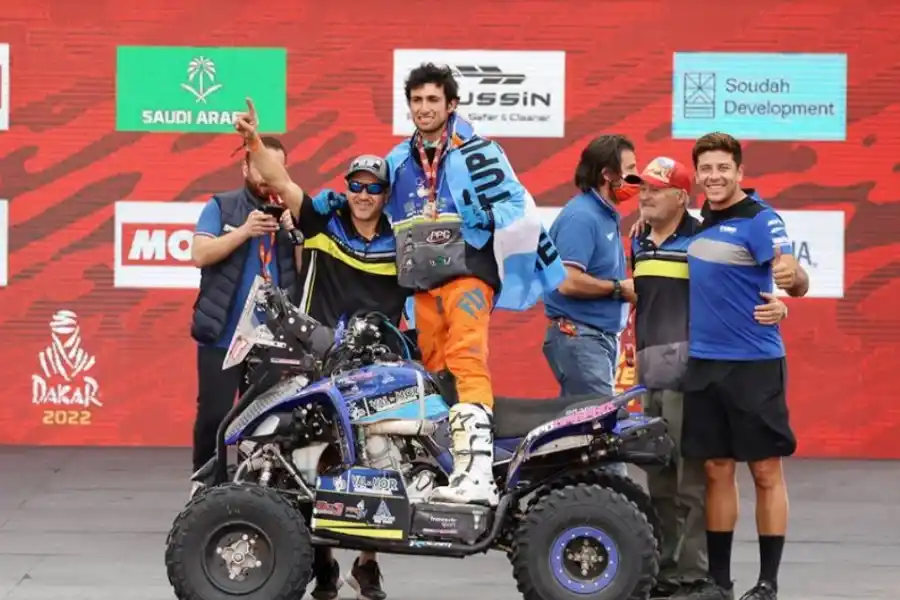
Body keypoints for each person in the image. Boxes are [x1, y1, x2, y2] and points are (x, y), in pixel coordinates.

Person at [315, 63, 566, 506]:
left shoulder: (480, 152)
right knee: (434, 370)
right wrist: (337, 203)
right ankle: (449, 465)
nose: (424, 108)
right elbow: (370, 198)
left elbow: (515, 205)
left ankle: (480, 475)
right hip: (422, 282)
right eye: (417, 100)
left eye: (433, 100)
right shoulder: (396, 159)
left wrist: (484, 219)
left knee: (466, 356)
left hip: (468, 273)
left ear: (451, 105)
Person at [233, 108, 403, 600]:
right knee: (313, 465)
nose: (364, 195)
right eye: (357, 185)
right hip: (318, 362)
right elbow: (278, 178)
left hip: (377, 369)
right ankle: (324, 563)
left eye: (374, 187)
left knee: (382, 463)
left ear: (386, 194)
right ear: (346, 188)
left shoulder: (401, 243)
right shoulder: (321, 224)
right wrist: (254, 142)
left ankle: (367, 564)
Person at [626, 157, 789, 599]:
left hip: (693, 372)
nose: (644, 196)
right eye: (642, 189)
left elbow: (756, 278)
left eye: (654, 189)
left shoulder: (702, 237)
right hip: (650, 376)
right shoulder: (637, 240)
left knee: (693, 482)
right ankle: (666, 571)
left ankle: (696, 576)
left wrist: (783, 304)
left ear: (681, 196)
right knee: (658, 478)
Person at [675, 133, 809, 600]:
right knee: (716, 469)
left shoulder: (761, 219)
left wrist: (791, 286)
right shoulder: (694, 226)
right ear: (697, 175)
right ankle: (720, 582)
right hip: (704, 365)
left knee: (766, 471)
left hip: (753, 366)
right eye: (706, 169)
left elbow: (791, 271)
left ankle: (768, 584)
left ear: (739, 173)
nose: (714, 176)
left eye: (722, 168)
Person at [189, 135, 300, 476]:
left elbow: (308, 270)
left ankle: (260, 489)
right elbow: (199, 254)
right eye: (260, 166)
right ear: (245, 166)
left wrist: (295, 233)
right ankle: (205, 486)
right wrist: (244, 231)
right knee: (214, 417)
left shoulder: (292, 211)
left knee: (269, 421)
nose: (267, 175)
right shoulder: (221, 206)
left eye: (275, 167)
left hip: (272, 339)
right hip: (224, 335)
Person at [541, 134, 639, 477]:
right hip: (579, 338)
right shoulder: (581, 216)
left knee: (583, 439)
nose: (636, 179)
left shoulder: (605, 215)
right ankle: (621, 519)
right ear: (607, 174)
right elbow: (566, 280)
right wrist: (618, 289)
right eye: (630, 170)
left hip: (593, 340)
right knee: (603, 435)